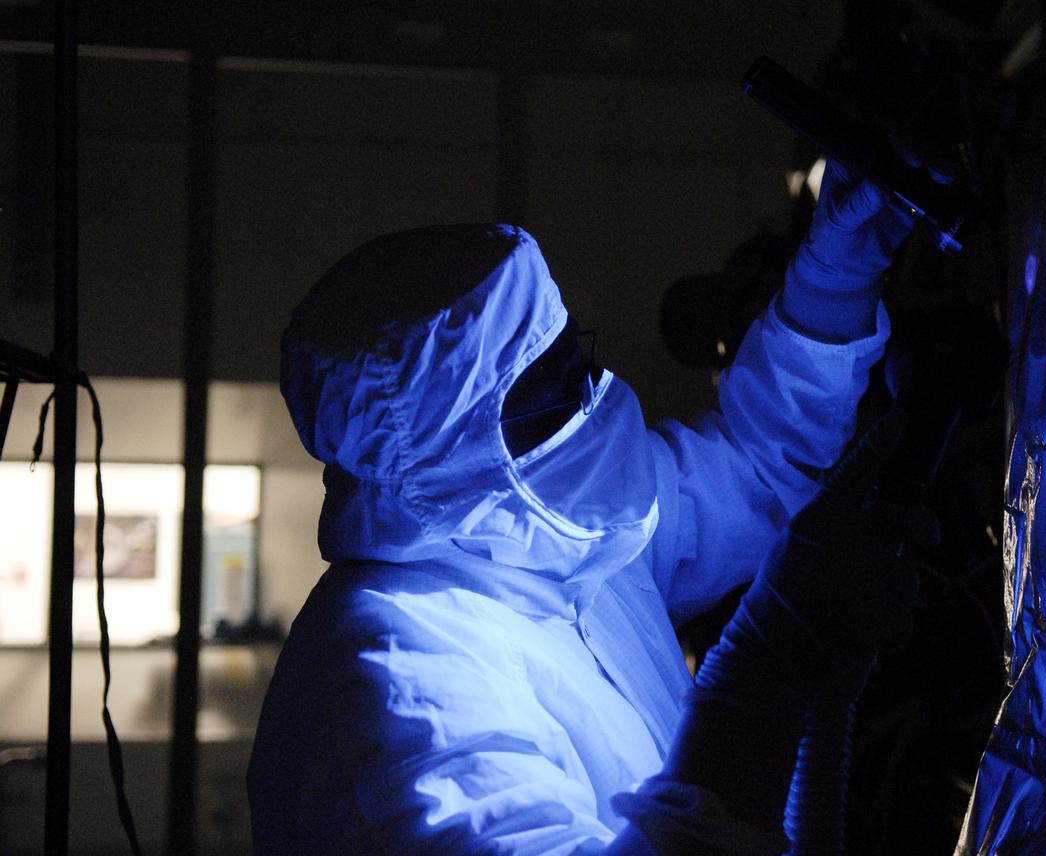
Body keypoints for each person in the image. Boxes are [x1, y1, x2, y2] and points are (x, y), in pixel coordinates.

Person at [247, 161, 917, 854]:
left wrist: (837, 274)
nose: (594, 401)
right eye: (550, 391)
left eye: (577, 360)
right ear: (451, 457)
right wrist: (758, 685)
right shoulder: (392, 686)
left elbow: (755, 466)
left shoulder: (547, 532)